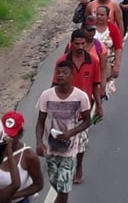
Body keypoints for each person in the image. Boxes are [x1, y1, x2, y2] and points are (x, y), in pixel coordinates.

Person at [36, 60, 92, 203]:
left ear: (72, 75)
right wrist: (39, 143)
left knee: (64, 188)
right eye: (58, 72)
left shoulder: (81, 97)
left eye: (64, 73)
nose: (60, 75)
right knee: (55, 182)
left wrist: (70, 133)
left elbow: (87, 121)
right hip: (51, 149)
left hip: (69, 150)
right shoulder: (46, 95)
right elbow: (40, 121)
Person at [58, 29, 104, 186]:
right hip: (64, 109)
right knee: (63, 139)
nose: (79, 46)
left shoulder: (93, 61)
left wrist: (98, 106)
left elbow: (96, 85)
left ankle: (79, 167)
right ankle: (63, 167)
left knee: (81, 142)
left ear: (87, 44)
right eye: (76, 43)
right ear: (71, 43)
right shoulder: (62, 62)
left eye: (82, 43)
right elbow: (54, 85)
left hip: (83, 111)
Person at [0, 112, 45, 203]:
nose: (7, 138)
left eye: (11, 135)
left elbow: (38, 185)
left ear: (20, 134)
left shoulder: (29, 157)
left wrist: (10, 196)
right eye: (4, 133)